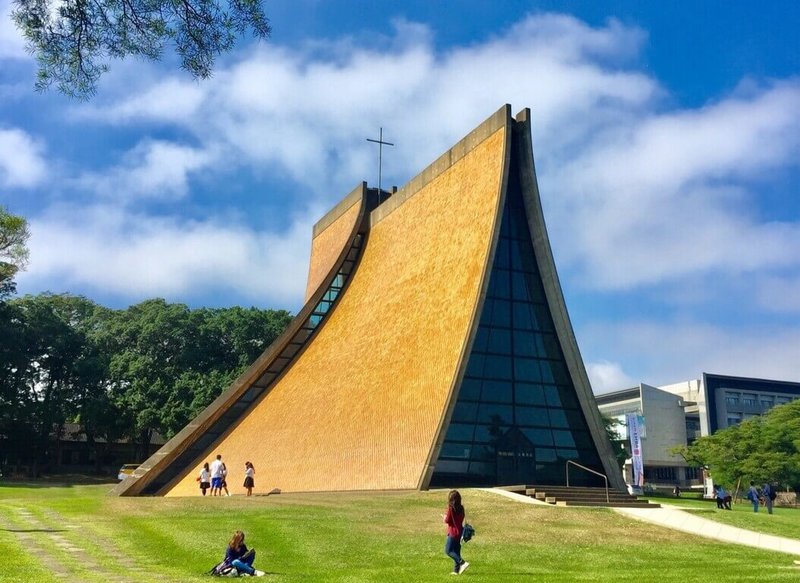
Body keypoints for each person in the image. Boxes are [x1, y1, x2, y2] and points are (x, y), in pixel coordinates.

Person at [442, 490, 469, 575]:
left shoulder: (450, 508)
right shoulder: (461, 508)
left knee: (448, 550)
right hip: (460, 532)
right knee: (456, 552)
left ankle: (463, 563)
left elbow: (447, 520)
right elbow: (461, 518)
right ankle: (456, 571)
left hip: (453, 533)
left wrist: (444, 517)